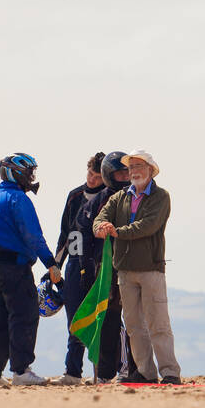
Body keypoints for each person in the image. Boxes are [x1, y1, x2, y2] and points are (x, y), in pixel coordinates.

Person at [92, 150, 181, 384]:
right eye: (131, 167)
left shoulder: (161, 197)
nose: (134, 171)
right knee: (133, 326)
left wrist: (116, 232)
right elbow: (100, 219)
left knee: (158, 323)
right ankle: (145, 372)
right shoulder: (119, 197)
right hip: (124, 271)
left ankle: (170, 372)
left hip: (151, 269)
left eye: (138, 166)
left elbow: (148, 225)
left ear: (151, 169)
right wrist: (102, 227)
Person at [0, 152, 61, 386]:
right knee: (24, 315)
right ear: (15, 173)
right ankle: (22, 371)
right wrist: (51, 264)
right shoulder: (19, 199)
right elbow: (33, 235)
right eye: (28, 172)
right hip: (16, 267)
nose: (31, 177)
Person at [49, 151, 105, 385]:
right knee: (75, 321)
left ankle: (103, 373)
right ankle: (73, 373)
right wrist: (54, 264)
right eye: (90, 173)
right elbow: (65, 233)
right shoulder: (74, 196)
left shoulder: (108, 197)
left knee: (101, 319)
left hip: (98, 264)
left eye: (97, 176)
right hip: (73, 262)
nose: (91, 179)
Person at [84, 150, 133, 383]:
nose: (124, 177)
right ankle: (105, 374)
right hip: (104, 270)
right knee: (107, 322)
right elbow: (81, 236)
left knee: (134, 321)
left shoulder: (137, 197)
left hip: (132, 266)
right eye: (119, 173)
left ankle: (131, 370)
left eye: (127, 172)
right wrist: (85, 269)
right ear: (108, 174)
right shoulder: (97, 202)